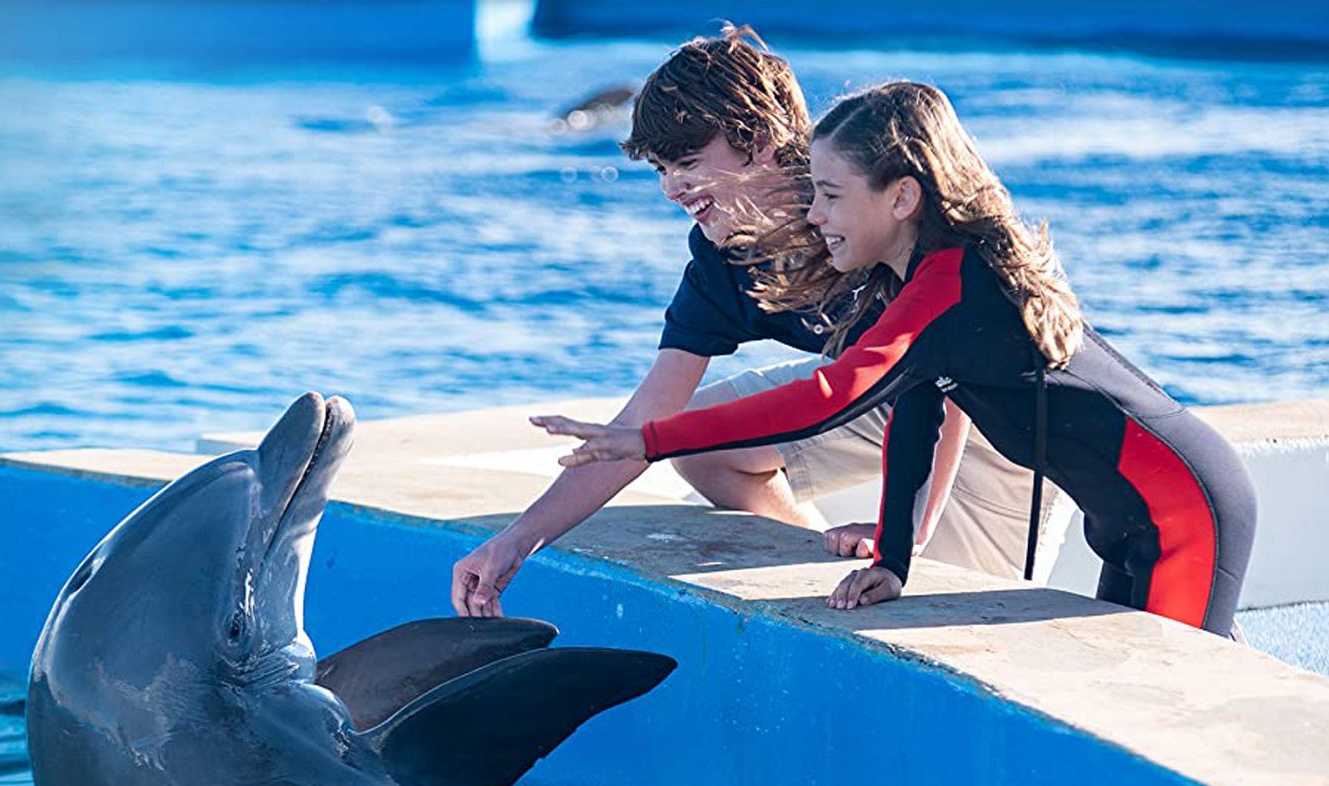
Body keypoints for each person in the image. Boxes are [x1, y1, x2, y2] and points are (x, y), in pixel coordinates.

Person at [533, 81, 1258, 638]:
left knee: (1188, 700)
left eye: (830, 194)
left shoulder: (954, 281)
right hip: (1131, 516)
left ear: (903, 196)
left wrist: (650, 439)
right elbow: (916, 419)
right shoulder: (918, 281)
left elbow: (830, 395)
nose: (812, 216)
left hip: (1180, 507)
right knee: (1141, 689)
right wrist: (894, 560)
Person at [451, 28, 1063, 618]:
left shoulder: (865, 212)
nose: (672, 188)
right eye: (661, 169)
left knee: (958, 608)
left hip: (995, 416)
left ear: (762, 138)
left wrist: (908, 531)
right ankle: (823, 580)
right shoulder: (722, 258)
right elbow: (647, 423)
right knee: (701, 444)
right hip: (879, 387)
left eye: (688, 162)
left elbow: (949, 371)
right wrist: (517, 541)